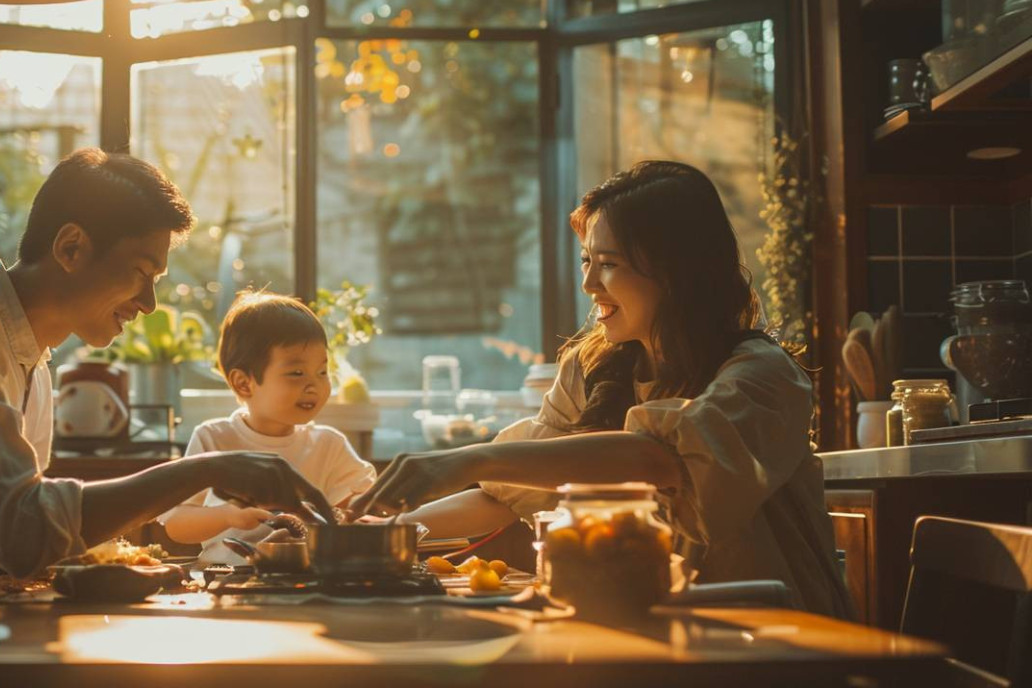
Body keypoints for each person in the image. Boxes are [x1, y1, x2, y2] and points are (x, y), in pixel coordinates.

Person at [0, 150, 334, 578]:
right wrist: (210, 468)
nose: (148, 304)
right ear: (72, 247)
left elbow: (1, 545)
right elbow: (23, 529)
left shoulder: (32, 357)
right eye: (141, 272)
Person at [351, 160, 853, 618]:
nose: (589, 283)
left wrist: (470, 458)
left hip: (771, 635)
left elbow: (661, 462)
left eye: (609, 263)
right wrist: (373, 534)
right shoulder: (589, 367)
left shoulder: (762, 376)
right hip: (640, 626)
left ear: (678, 273)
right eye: (587, 261)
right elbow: (507, 495)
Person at [161, 292, 376, 558]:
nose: (314, 385)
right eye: (296, 373)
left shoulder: (329, 445)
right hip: (227, 583)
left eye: (322, 372)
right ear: (244, 383)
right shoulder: (214, 439)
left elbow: (357, 509)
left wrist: (350, 513)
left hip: (308, 582)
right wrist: (228, 516)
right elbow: (176, 525)